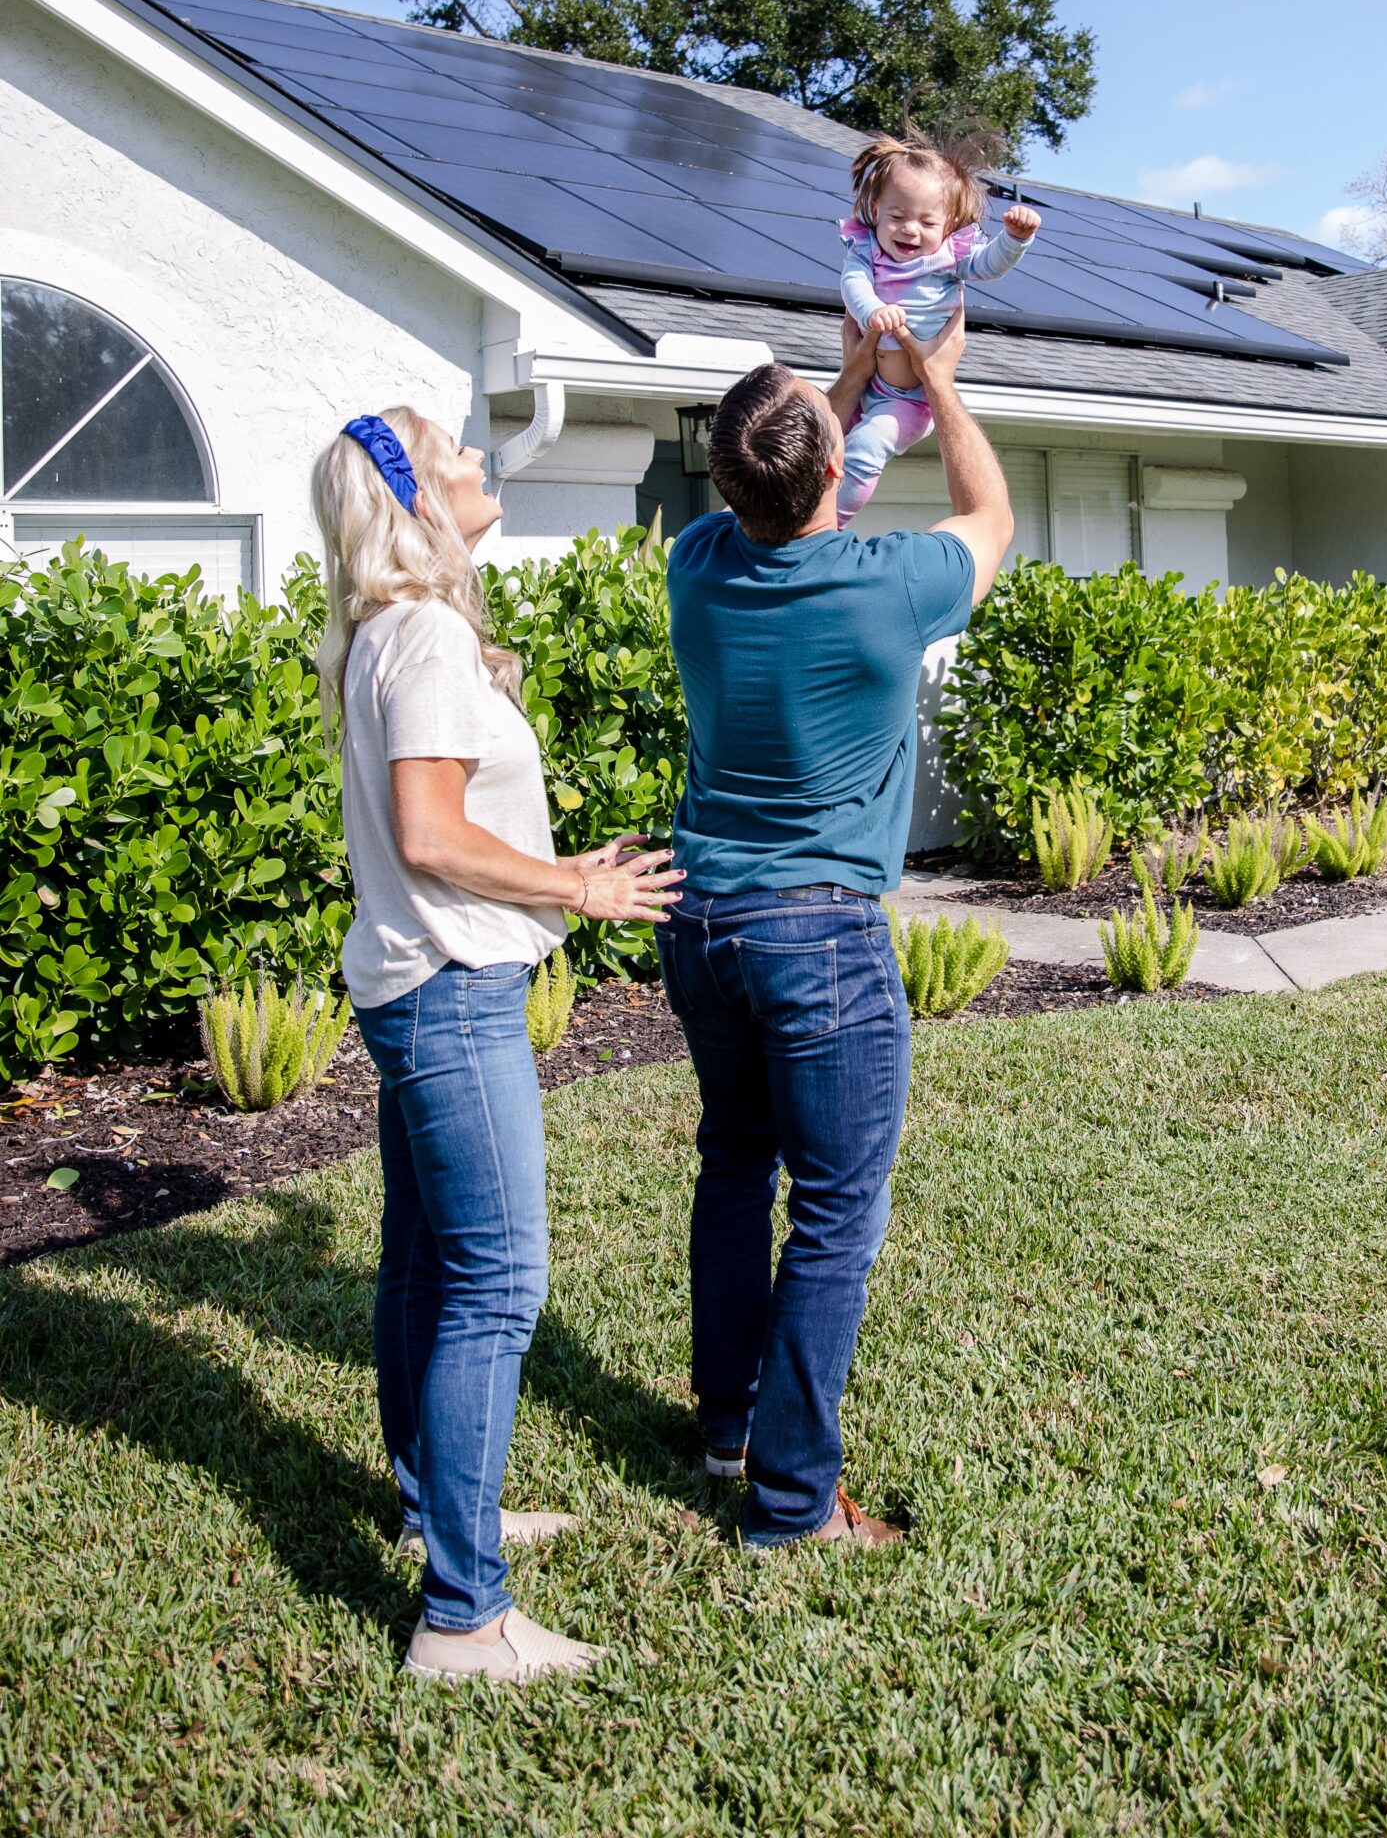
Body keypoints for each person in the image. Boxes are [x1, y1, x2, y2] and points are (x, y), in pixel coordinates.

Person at [310, 407, 680, 1683]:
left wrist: (551, 871)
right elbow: (430, 833)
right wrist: (575, 891)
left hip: (423, 978)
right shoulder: (417, 634)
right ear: (415, 497)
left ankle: (433, 1510)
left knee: (423, 1265)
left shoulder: (393, 631)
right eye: (456, 451)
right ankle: (464, 1614)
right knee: (497, 1284)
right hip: (454, 991)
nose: (481, 463)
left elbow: (444, 830)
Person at [662, 310, 1014, 1549]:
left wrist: (855, 381)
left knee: (732, 1163)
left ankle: (725, 1422)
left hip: (700, 924)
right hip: (819, 937)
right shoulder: (890, 585)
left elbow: (787, 483)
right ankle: (794, 1502)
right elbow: (992, 518)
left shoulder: (695, 566)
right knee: (832, 1214)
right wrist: (941, 390)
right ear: (831, 473)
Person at [836, 136, 1040, 522]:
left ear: (948, 225)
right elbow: (853, 284)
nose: (910, 230)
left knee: (864, 446)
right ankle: (796, 519)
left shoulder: (949, 257)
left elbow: (988, 266)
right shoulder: (865, 249)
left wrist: (1014, 239)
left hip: (910, 400)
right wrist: (872, 310)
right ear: (876, 210)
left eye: (928, 222)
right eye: (897, 217)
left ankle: (832, 524)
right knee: (818, 443)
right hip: (866, 386)